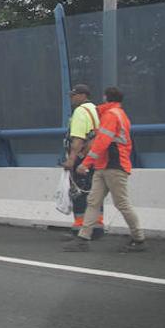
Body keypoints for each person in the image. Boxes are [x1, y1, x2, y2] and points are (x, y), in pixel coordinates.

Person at [63, 87, 146, 252]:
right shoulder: (118, 115)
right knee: (93, 202)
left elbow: (102, 142)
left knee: (121, 203)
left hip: (113, 165)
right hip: (106, 165)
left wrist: (85, 163)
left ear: (106, 97)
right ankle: (83, 238)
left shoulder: (110, 115)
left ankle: (139, 238)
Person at [62, 83, 104, 239]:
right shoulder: (96, 110)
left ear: (82, 96)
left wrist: (72, 160)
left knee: (79, 192)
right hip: (97, 157)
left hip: (83, 159)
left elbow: (78, 138)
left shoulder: (80, 111)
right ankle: (97, 227)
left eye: (74, 95)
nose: (71, 98)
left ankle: (80, 227)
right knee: (95, 192)